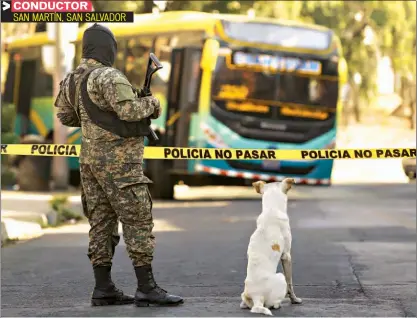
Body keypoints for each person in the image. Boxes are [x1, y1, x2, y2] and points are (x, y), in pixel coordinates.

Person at [54, 23, 183, 307]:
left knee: (100, 224)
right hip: (120, 164)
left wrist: (94, 121)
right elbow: (128, 110)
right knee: (137, 220)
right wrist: (152, 103)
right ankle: (147, 288)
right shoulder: (109, 76)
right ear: (107, 48)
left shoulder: (71, 79)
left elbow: (65, 116)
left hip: (89, 162)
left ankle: (103, 288)